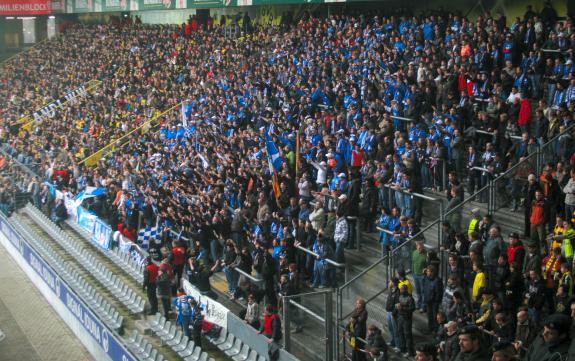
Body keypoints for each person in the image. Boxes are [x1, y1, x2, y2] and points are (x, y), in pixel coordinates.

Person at [397, 283, 416, 357]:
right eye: (401, 289)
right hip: (400, 317)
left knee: (407, 335)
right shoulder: (400, 296)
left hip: (407, 319)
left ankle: (410, 351)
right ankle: (402, 348)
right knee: (400, 332)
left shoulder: (410, 298)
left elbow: (412, 309)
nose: (401, 290)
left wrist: (402, 308)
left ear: (406, 290)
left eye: (402, 289)